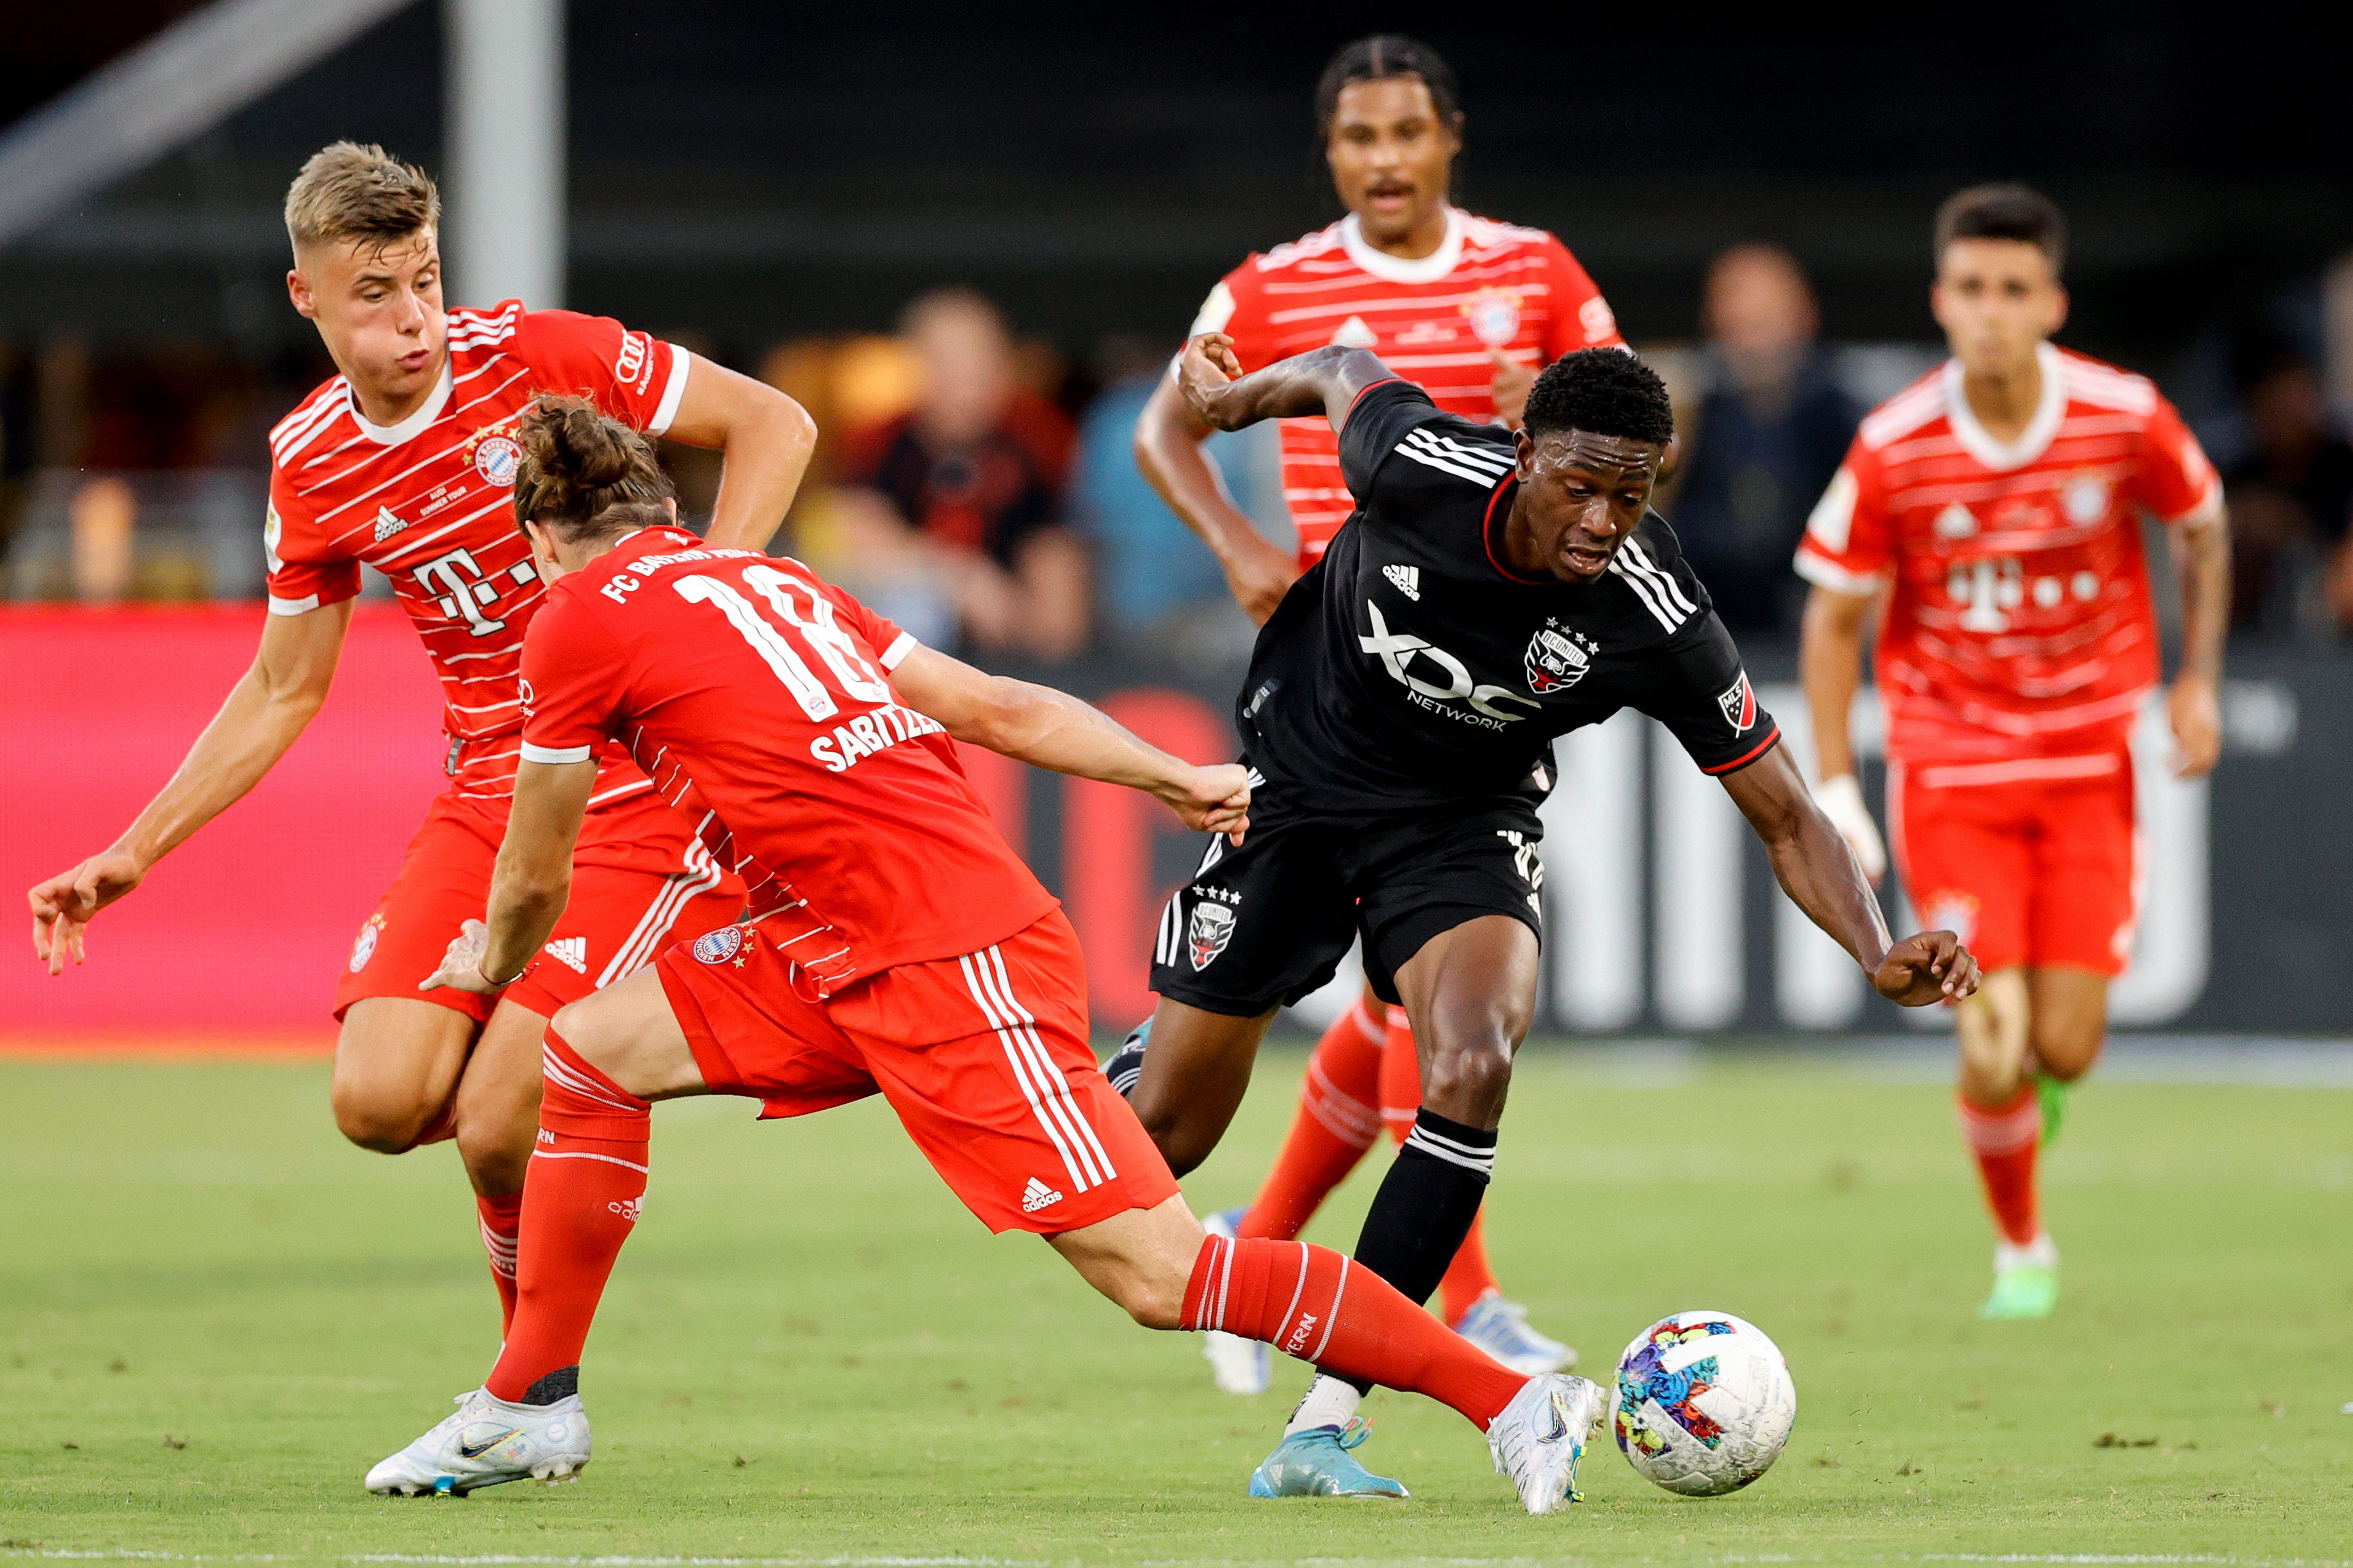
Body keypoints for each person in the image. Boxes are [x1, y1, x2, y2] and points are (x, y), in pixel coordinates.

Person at [363, 396, 1611, 1515]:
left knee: (1159, 1273)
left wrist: (482, 970)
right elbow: (999, 705)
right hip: (826, 947)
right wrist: (1166, 771)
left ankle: (1506, 1399)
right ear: (670, 510)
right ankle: (531, 1396)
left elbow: (530, 872)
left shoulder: (572, 617)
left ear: (537, 542)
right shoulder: (778, 583)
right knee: (588, 1051)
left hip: (944, 960)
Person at [1120, 335, 1979, 1499]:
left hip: (1460, 820)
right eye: (1577, 484)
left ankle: (1322, 1419)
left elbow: (1783, 812)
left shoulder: (1652, 614)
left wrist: (1877, 945)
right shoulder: (1414, 463)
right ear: (1520, 452)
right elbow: (1339, 363)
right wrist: (1230, 402)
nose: (1600, 518)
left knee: (1470, 1057)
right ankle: (1126, 1074)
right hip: (1298, 783)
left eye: (1630, 493)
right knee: (1161, 1143)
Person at [24, 143, 815, 1336]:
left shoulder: (538, 357)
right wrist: (138, 848)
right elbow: (286, 686)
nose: (416, 322)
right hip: (488, 787)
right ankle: (585, 1087)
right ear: (309, 299)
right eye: (376, 295)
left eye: (427, 282)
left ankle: (530, 1377)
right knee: (381, 1100)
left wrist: (701, 593)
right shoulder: (309, 461)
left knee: (499, 1114)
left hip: (625, 776)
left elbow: (773, 422)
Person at [1129, 31, 1624, 1412]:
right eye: (1359, 139)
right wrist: (1233, 541)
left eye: (1408, 132)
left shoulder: (1533, 270)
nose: (1386, 160)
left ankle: (1265, 1244)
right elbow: (1168, 426)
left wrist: (1554, 418)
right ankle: (1463, 1307)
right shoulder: (1274, 284)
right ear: (1332, 154)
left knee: (1409, 995)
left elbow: (1636, 425)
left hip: (1484, 682)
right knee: (1433, 996)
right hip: (1337, 682)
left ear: (1449, 138)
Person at [1793, 184, 2230, 1320]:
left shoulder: (2121, 413)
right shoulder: (1892, 445)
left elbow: (2199, 522)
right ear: (1941, 300)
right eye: (1970, 290)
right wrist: (1839, 784)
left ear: (2050, 303)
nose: (1988, 312)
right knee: (1988, 1041)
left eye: (2012, 291)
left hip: (2089, 766)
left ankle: (2033, 1106)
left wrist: (2193, 680)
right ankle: (2019, 1243)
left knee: (2066, 1048)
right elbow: (1832, 615)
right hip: (1951, 773)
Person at [837, 288, 1089, 661]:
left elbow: (1056, 561)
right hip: (907, 657)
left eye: (979, 359)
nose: (965, 376)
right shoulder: (879, 442)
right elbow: (854, 535)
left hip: (1011, 650)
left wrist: (1033, 626)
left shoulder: (1041, 439)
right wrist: (960, 577)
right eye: (947, 360)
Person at [1667, 245, 1860, 634]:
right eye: (1738, 326)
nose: (1752, 344)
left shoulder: (1842, 420)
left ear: (1804, 318)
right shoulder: (1690, 414)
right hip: (1705, 631)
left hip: (1811, 625)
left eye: (1764, 323)